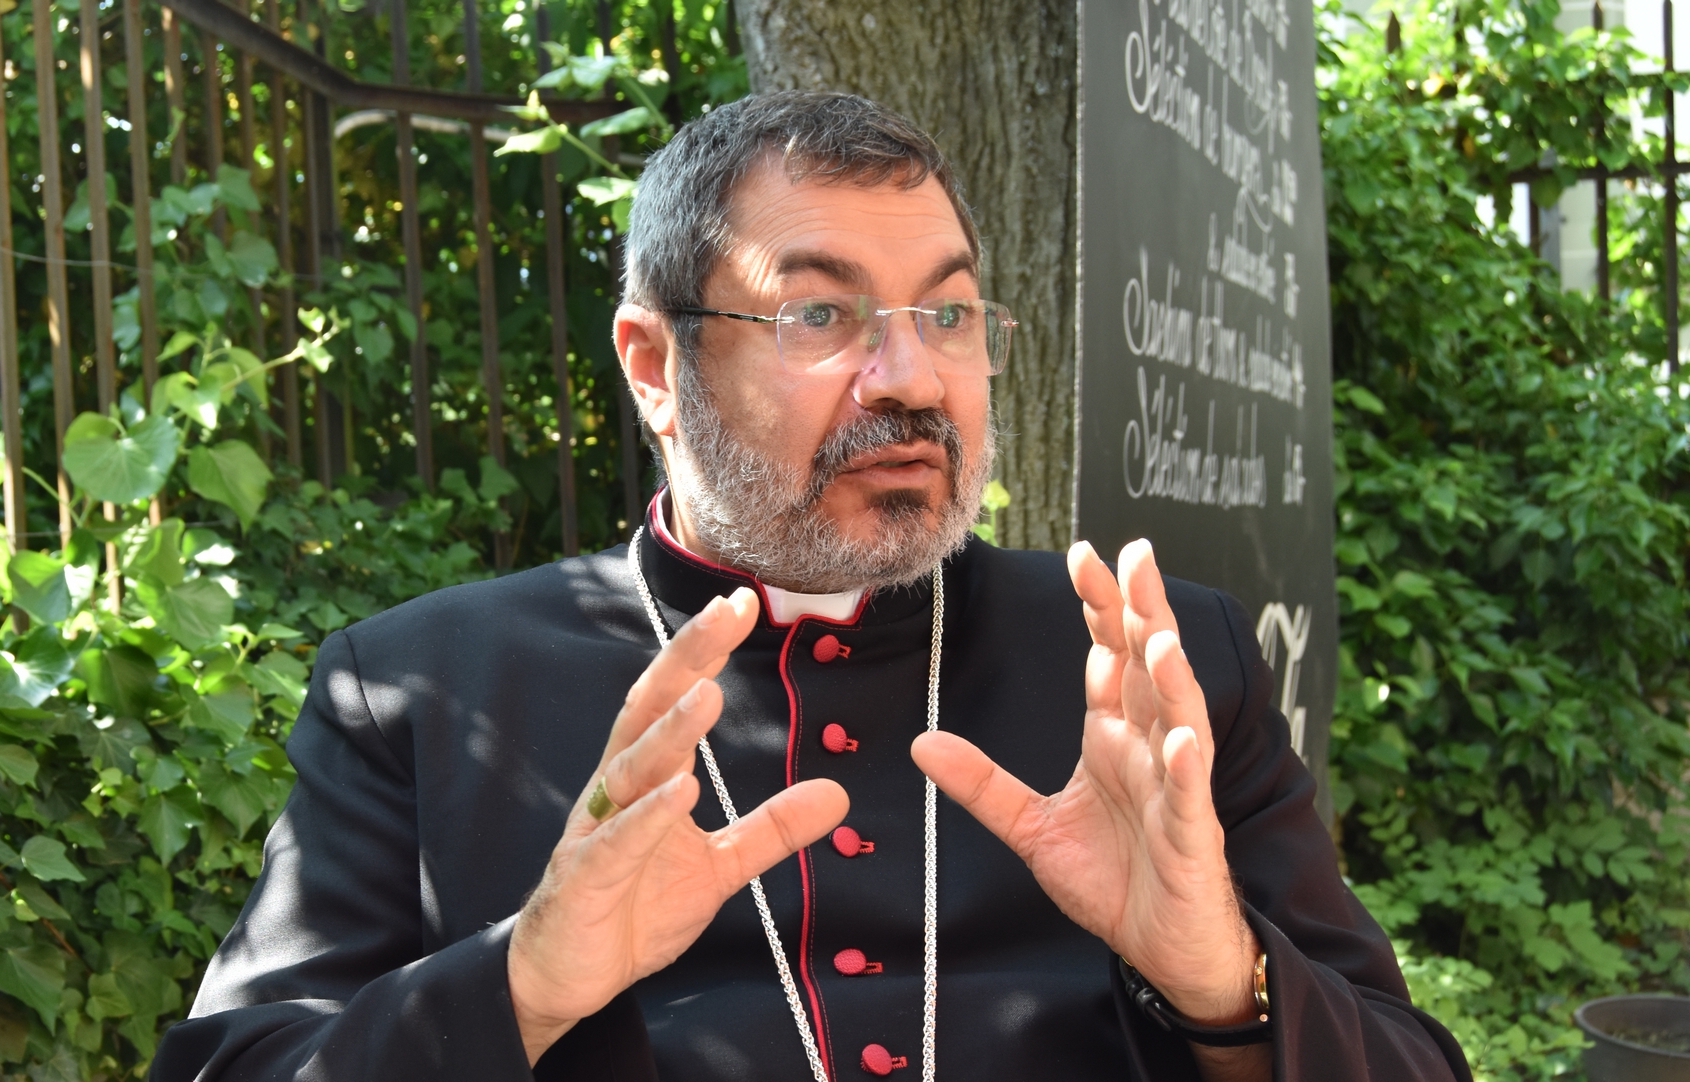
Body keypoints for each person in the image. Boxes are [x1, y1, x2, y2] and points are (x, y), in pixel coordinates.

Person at [150, 91, 1469, 1082]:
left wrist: (1219, 980)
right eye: (822, 314)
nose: (909, 376)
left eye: (948, 312)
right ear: (655, 366)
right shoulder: (426, 690)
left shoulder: (1155, 669)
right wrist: (524, 982)